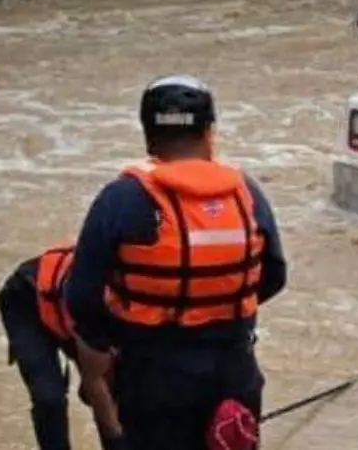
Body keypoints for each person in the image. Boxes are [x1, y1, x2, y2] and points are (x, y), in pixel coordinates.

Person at [64, 74, 289, 450]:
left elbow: (82, 298)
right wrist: (219, 310)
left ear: (148, 136)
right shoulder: (246, 192)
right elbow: (274, 276)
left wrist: (110, 343)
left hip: (152, 379)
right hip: (233, 375)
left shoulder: (121, 198)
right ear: (209, 132)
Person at [0, 243, 126, 450]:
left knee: (117, 391)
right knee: (49, 397)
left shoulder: (141, 295)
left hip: (65, 307)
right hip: (26, 300)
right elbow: (96, 380)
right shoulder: (90, 296)